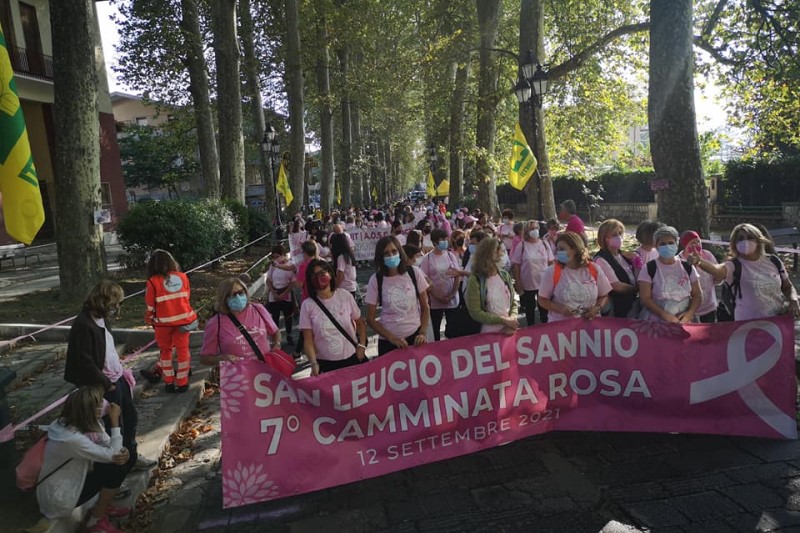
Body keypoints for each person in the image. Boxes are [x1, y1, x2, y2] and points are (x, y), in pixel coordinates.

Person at [64, 280, 152, 473]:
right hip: (103, 384)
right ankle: (115, 467)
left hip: (117, 377)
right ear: (103, 301)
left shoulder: (102, 319)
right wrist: (107, 384)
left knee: (130, 418)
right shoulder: (83, 324)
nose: (117, 307)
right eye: (114, 303)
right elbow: (85, 360)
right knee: (113, 425)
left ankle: (131, 456)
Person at [37, 387, 131, 533]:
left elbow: (112, 448)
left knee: (117, 462)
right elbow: (115, 455)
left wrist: (125, 452)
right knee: (116, 469)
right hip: (59, 497)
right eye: (99, 404)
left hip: (74, 479)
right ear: (89, 411)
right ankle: (95, 521)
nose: (105, 405)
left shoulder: (76, 421)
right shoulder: (70, 439)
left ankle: (103, 506)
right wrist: (114, 421)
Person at [689, 223, 800, 320]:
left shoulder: (774, 261)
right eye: (740, 238)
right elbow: (717, 270)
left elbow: (788, 286)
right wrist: (700, 261)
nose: (745, 241)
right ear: (734, 243)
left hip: (776, 325)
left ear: (758, 241)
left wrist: (793, 300)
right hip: (747, 328)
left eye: (750, 237)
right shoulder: (734, 265)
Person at [299, 260, 367, 375]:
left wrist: (362, 345)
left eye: (322, 273)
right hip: (326, 364)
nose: (318, 278)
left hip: (352, 357)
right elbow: (308, 340)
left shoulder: (345, 296)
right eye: (314, 276)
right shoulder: (307, 306)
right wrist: (313, 363)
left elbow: (360, 322)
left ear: (330, 274)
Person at [365, 236, 431, 356]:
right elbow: (370, 319)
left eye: (394, 251)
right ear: (380, 257)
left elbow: (425, 307)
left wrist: (422, 333)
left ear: (400, 252)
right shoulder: (375, 280)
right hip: (388, 343)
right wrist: (392, 338)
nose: (391, 255)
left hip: (415, 339)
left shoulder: (414, 272)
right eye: (386, 253)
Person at [144, 250, 197, 393]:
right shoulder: (183, 277)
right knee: (183, 350)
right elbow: (186, 297)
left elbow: (150, 305)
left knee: (165, 352)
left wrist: (149, 318)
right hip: (183, 321)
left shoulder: (152, 281)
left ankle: (169, 382)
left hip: (163, 324)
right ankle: (182, 381)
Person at [199, 277, 281, 365]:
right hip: (239, 372)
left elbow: (275, 332)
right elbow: (204, 359)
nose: (238, 297)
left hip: (265, 368)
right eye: (232, 295)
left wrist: (277, 345)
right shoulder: (215, 323)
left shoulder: (258, 309)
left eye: (240, 292)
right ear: (224, 299)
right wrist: (221, 358)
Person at [538, 232, 612, 322]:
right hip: (561, 326)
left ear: (575, 249)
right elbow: (542, 300)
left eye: (562, 249)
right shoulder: (551, 271)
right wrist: (561, 309)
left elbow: (604, 295)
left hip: (590, 325)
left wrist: (596, 308)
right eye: (557, 249)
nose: (558, 252)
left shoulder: (594, 269)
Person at [637, 226, 702, 323]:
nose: (667, 246)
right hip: (656, 322)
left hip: (685, 320)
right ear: (656, 246)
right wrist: (664, 314)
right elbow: (645, 299)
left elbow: (697, 294)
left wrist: (690, 313)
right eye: (662, 244)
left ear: (676, 244)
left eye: (671, 243)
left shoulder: (687, 267)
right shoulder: (649, 268)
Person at [465, 237, 518, 334]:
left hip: (510, 329)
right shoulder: (475, 280)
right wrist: (503, 321)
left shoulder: (505, 275)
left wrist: (512, 319)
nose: (501, 255)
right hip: (488, 333)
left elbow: (514, 302)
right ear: (488, 256)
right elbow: (475, 312)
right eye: (498, 251)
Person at [419, 228, 461, 341]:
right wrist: (437, 297)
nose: (445, 242)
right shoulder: (427, 259)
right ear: (434, 242)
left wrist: (452, 294)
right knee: (435, 329)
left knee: (452, 330)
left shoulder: (451, 256)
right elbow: (425, 281)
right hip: (435, 302)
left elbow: (457, 275)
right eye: (442, 240)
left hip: (451, 300)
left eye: (446, 239)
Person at [511, 219, 554, 325]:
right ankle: (531, 329)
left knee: (544, 310)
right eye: (531, 229)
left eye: (536, 228)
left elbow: (551, 262)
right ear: (526, 231)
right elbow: (516, 265)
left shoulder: (544, 244)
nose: (534, 230)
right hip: (528, 283)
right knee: (530, 309)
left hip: (543, 282)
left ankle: (545, 329)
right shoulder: (522, 245)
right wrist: (518, 282)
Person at [593, 219, 638, 318]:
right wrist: (638, 289)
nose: (619, 237)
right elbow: (616, 286)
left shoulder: (623, 255)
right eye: (614, 235)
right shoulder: (601, 259)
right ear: (605, 238)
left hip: (631, 303)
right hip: (617, 308)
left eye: (620, 233)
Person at [679, 230, 718, 323]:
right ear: (685, 246)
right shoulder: (679, 260)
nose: (697, 245)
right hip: (689, 309)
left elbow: (716, 274)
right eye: (692, 243)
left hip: (709, 307)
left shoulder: (707, 255)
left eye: (698, 241)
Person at [265, 245, 297, 346]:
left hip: (286, 293)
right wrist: (273, 293)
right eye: (273, 257)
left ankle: (289, 334)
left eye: (277, 256)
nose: (276, 259)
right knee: (275, 317)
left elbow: (293, 282)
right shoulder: (273, 265)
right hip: (274, 293)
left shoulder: (290, 265)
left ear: (283, 255)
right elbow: (268, 280)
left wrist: (284, 293)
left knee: (288, 316)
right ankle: (276, 339)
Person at [331, 233, 358, 299]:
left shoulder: (341, 257)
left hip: (344, 288)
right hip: (352, 287)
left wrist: (335, 287)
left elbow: (340, 274)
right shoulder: (349, 256)